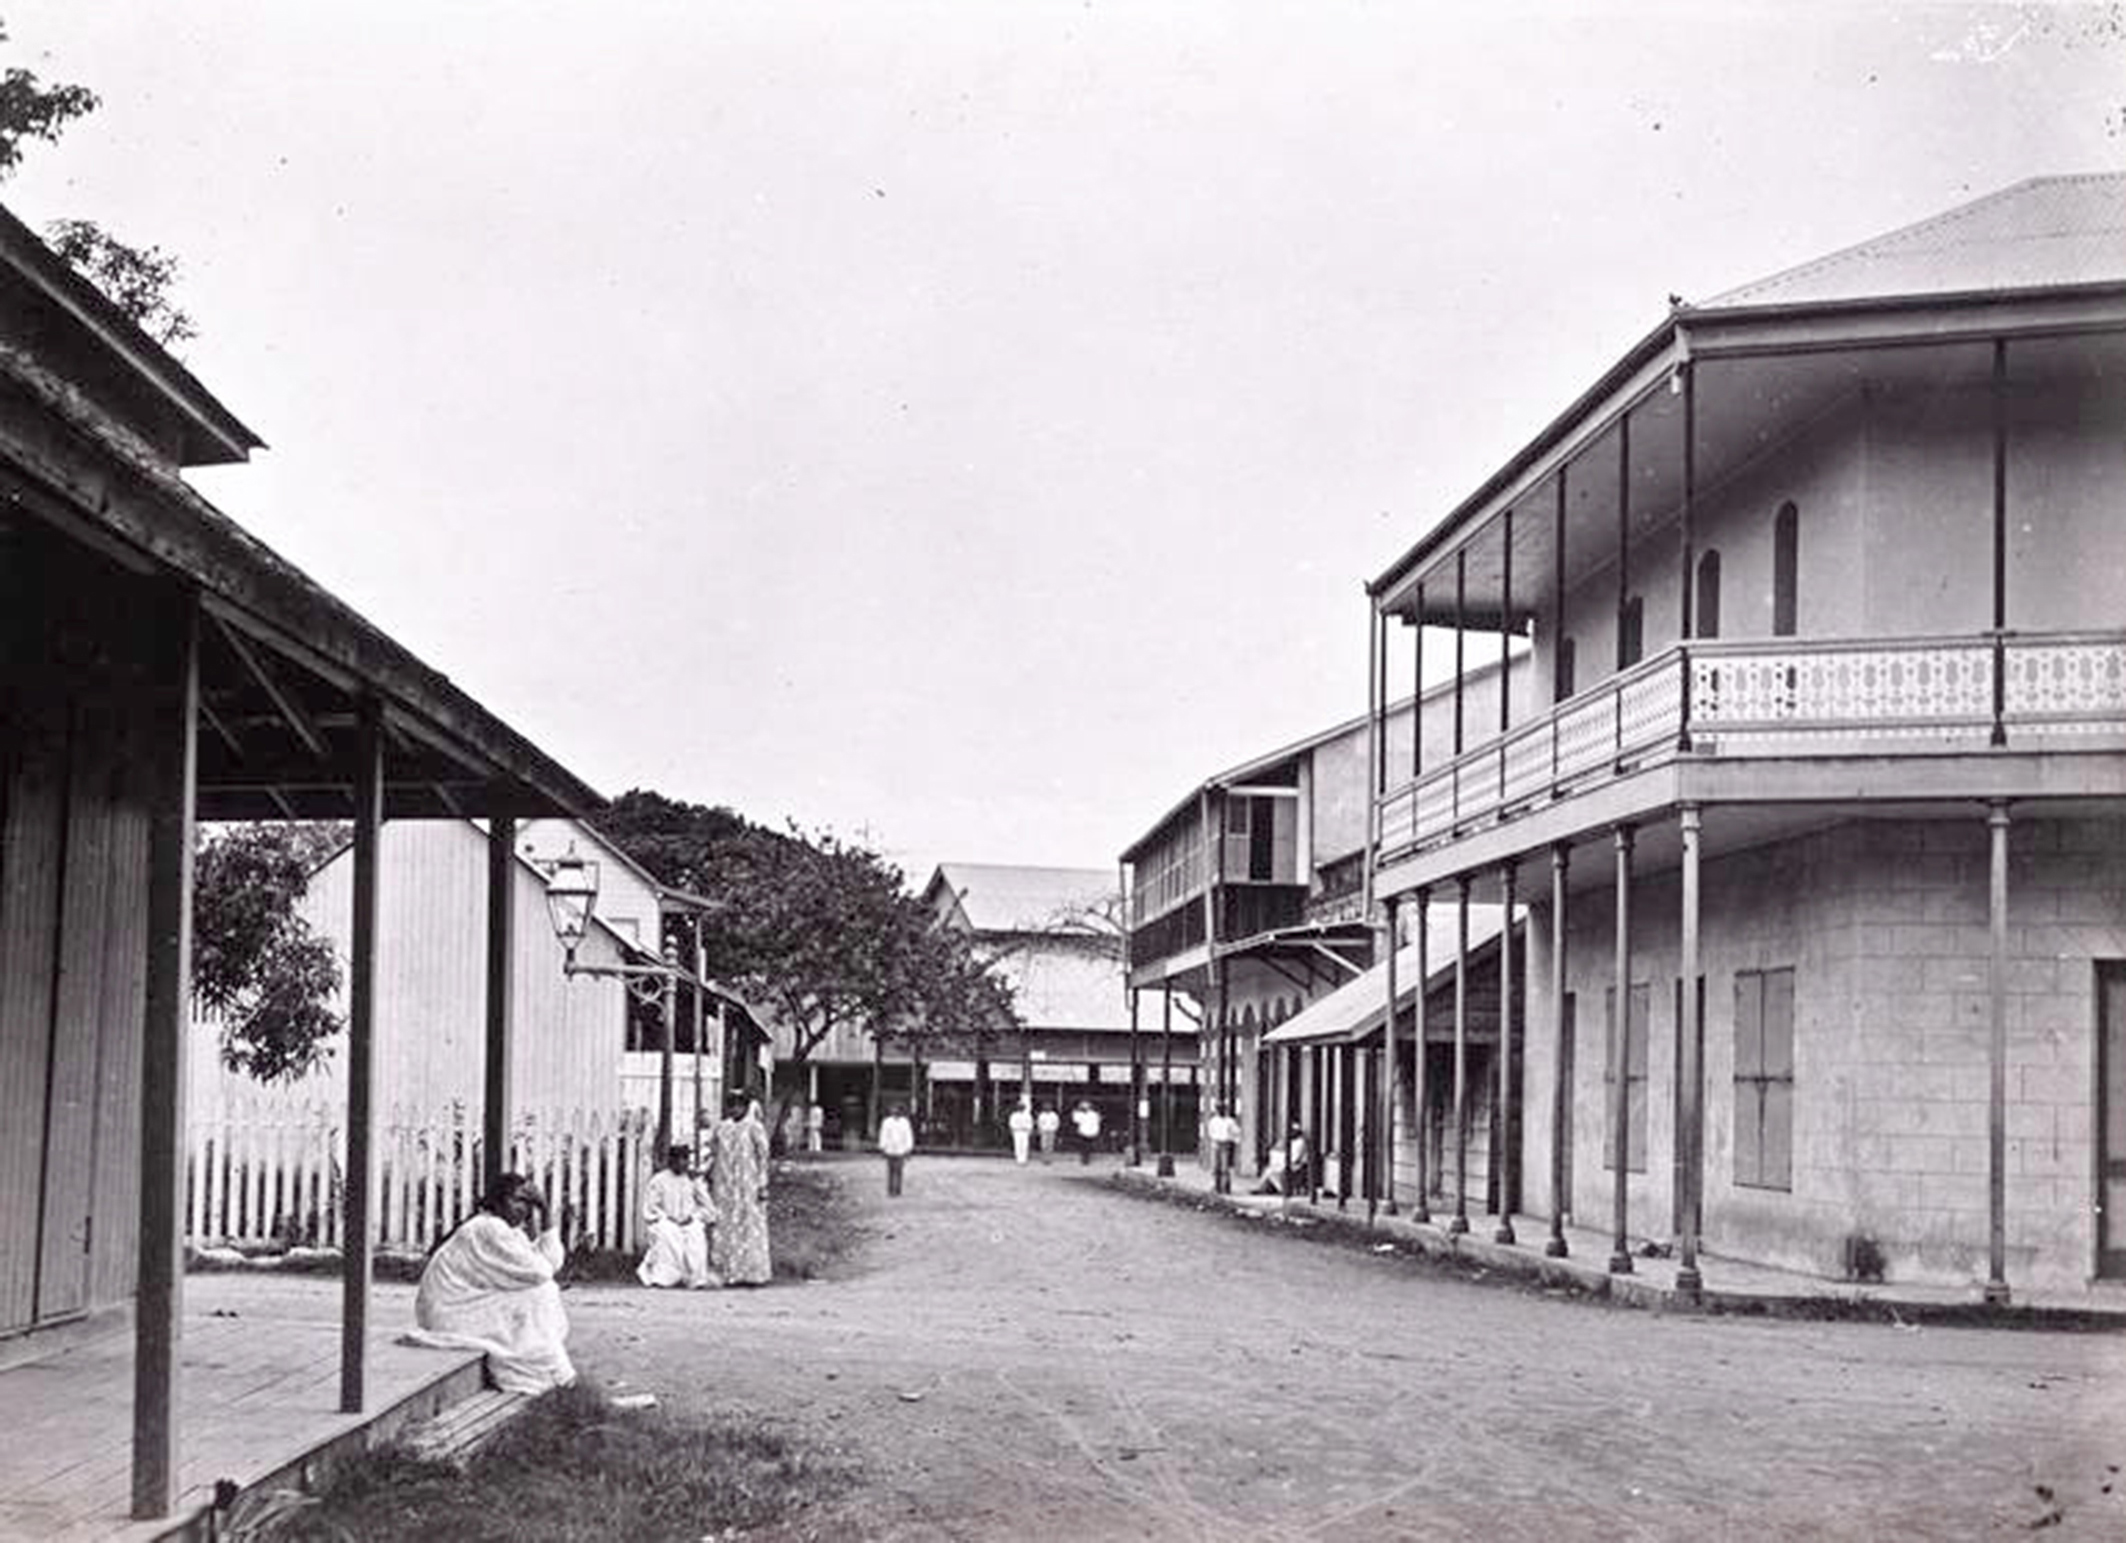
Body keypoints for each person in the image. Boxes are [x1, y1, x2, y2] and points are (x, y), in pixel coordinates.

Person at [406, 1172, 575, 1393]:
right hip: (449, 1312)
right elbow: (541, 1272)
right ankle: (541, 1371)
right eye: (516, 1200)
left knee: (542, 1292)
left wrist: (544, 1213)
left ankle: (546, 1367)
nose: (523, 1209)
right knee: (539, 1294)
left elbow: (552, 1263)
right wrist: (542, 1208)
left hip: (462, 1305)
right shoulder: (487, 1228)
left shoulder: (506, 1230)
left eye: (528, 1203)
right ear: (497, 1201)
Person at [706, 1091, 772, 1285]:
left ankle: (751, 1273)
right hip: (725, 1184)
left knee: (749, 1225)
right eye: (732, 1105)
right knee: (725, 1224)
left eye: (739, 1105)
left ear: (745, 1107)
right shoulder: (722, 1128)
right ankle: (727, 1272)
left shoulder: (754, 1128)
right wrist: (707, 1174)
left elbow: (763, 1158)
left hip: (747, 1184)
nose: (735, 1109)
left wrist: (762, 1184)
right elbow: (713, 1153)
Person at [637, 1144, 715, 1289]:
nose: (681, 1163)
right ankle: (664, 1278)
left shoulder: (693, 1180)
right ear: (670, 1161)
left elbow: (707, 1206)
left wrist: (694, 1217)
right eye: (677, 1159)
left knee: (696, 1233)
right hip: (666, 1220)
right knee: (667, 1233)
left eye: (685, 1159)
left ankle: (695, 1279)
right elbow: (651, 1207)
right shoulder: (659, 1180)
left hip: (689, 1221)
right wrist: (666, 1217)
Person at [878, 1102, 915, 1196]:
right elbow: (883, 1135)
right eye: (892, 1109)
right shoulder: (886, 1122)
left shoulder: (905, 1122)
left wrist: (909, 1148)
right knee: (890, 1170)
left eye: (896, 1109)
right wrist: (882, 1147)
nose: (894, 1111)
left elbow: (908, 1135)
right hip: (890, 1149)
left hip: (901, 1149)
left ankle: (898, 1190)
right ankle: (890, 1190)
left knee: (899, 1170)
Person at [1207, 1104, 1241, 1194]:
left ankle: (1225, 1187)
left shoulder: (1229, 1121)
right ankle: (1216, 1186)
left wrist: (1233, 1140)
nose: (1220, 1111)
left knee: (1224, 1167)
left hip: (1225, 1144)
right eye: (1219, 1109)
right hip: (1216, 1143)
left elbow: (1237, 1132)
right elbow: (1210, 1132)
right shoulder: (1213, 1121)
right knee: (1215, 1166)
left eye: (1222, 1110)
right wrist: (1214, 1140)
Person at [1072, 1100, 1102, 1165]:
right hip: (1091, 1132)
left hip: (1085, 1132)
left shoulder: (1083, 1115)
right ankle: (1086, 1158)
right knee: (1087, 1146)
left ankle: (1085, 1159)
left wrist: (1075, 1111)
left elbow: (1075, 1120)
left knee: (1084, 1146)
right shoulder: (1095, 1114)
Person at [1008, 1099, 1034, 1164]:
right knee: (1017, 1145)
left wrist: (1029, 1130)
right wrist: (1013, 1130)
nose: (1021, 1108)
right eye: (1020, 1106)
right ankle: (1018, 1159)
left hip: (1025, 1131)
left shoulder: (1027, 1115)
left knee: (1025, 1145)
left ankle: (1024, 1159)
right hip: (1017, 1131)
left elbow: (1030, 1123)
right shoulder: (1014, 1115)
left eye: (1022, 1107)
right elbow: (1012, 1123)